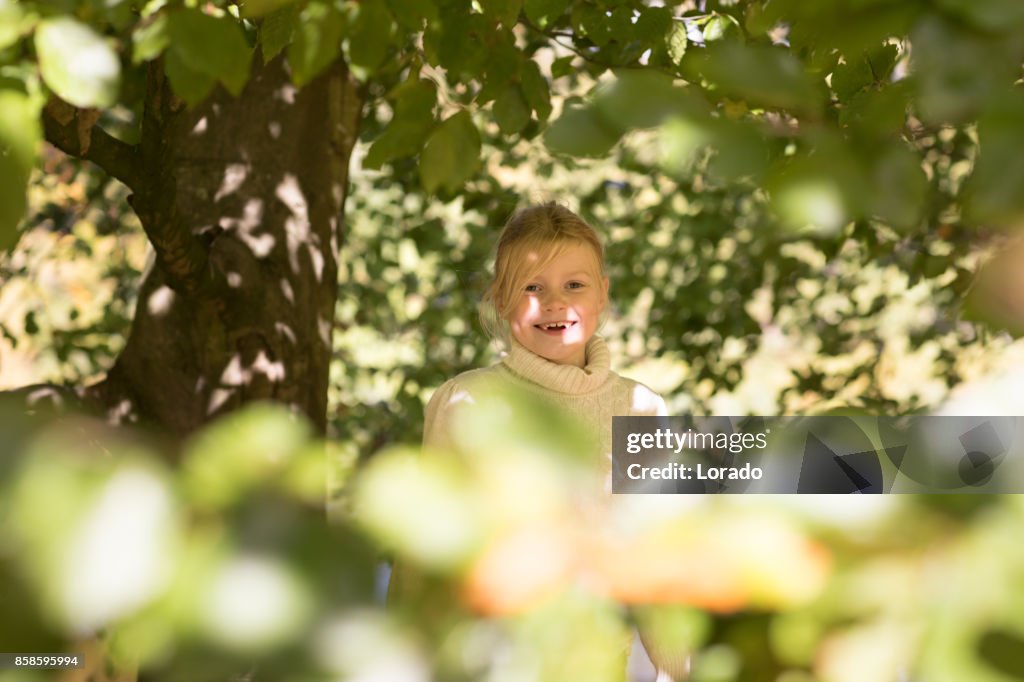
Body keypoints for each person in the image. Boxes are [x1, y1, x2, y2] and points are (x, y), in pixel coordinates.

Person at [423, 202, 667, 477]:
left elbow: (659, 518)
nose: (555, 302)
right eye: (533, 287)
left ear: (602, 294)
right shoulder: (465, 401)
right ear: (502, 300)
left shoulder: (642, 409)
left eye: (574, 285)